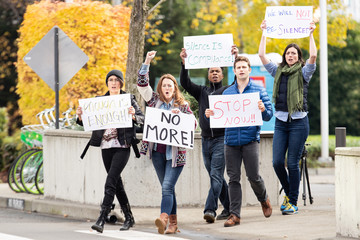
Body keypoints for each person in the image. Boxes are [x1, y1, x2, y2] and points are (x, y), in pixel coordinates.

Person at [205, 56, 273, 227]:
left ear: (249, 70)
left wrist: (263, 109)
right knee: (233, 179)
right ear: (234, 71)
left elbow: (268, 115)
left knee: (253, 177)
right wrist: (211, 115)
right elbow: (220, 114)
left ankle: (263, 199)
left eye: (244, 67)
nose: (241, 69)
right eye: (238, 67)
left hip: (250, 140)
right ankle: (235, 215)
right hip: (230, 142)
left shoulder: (258, 89)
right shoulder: (227, 93)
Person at [258, 20, 317, 215]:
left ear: (298, 57)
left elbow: (314, 55)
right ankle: (290, 192)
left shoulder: (304, 72)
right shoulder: (278, 72)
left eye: (294, 53)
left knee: (292, 163)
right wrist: (264, 32)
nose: (290, 55)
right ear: (284, 56)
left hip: (299, 122)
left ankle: (292, 201)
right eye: (287, 53)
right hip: (282, 122)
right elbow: (261, 55)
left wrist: (310, 33)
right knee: (276, 162)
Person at [76, 69, 144, 233]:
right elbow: (85, 123)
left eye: (116, 80)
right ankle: (129, 217)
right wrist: (79, 116)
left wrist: (134, 115)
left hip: (122, 146)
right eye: (110, 80)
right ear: (107, 83)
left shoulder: (128, 99)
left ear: (121, 83)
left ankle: (101, 218)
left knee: (110, 181)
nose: (113, 83)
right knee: (116, 184)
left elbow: (143, 119)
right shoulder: (99, 101)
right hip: (105, 147)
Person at [137, 51, 196, 234]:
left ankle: (163, 218)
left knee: (167, 187)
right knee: (167, 189)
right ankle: (173, 223)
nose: (167, 88)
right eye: (164, 85)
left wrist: (182, 117)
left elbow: (193, 124)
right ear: (160, 88)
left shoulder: (183, 106)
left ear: (174, 88)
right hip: (157, 153)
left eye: (170, 85)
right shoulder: (154, 101)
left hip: (175, 155)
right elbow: (142, 85)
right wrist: (147, 61)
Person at [179, 45, 238, 223]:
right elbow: (185, 83)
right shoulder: (202, 91)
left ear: (222, 74)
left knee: (215, 175)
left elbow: (239, 81)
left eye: (217, 71)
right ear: (208, 74)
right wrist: (184, 63)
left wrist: (235, 58)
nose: (214, 73)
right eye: (211, 71)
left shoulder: (228, 90)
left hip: (222, 139)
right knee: (216, 177)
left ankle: (210, 210)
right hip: (205, 140)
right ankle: (228, 208)